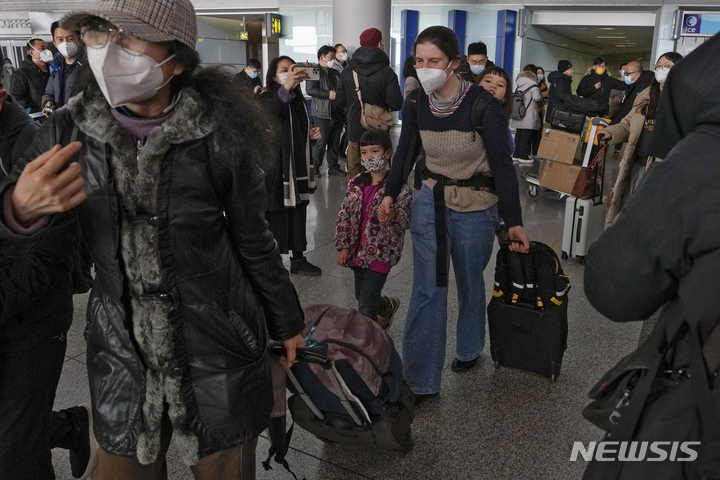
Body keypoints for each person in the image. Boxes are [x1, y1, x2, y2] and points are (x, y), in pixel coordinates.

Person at [0, 1, 306, 478]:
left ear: (176, 59)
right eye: (100, 33)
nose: (108, 49)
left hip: (217, 342)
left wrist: (287, 322)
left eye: (130, 37)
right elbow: (20, 227)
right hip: (121, 349)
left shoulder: (218, 131)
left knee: (225, 466)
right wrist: (16, 209)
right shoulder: (67, 129)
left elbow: (253, 238)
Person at [582, 34, 720, 480]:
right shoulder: (646, 99)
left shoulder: (704, 158)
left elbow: (615, 288)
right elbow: (629, 126)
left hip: (699, 408)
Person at [378, 26, 530, 404]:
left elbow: (503, 166)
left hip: (476, 205)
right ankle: (419, 381)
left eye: (434, 61)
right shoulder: (415, 104)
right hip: (430, 200)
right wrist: (389, 193)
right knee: (428, 289)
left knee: (468, 280)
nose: (425, 67)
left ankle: (468, 346)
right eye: (419, 60)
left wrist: (514, 221)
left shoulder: (483, 105)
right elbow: (406, 152)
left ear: (454, 64)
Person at [335, 129, 411, 330]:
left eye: (375, 151)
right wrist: (343, 246)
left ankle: (367, 345)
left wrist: (393, 215)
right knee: (361, 295)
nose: (369, 157)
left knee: (366, 306)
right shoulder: (356, 183)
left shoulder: (397, 188)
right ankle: (387, 305)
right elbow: (344, 215)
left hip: (381, 253)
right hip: (357, 250)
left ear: (388, 153)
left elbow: (406, 219)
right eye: (364, 152)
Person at [598, 52, 682, 226]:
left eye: (667, 66)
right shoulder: (646, 94)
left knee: (652, 217)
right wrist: (611, 132)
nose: (661, 70)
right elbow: (628, 123)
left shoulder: (685, 100)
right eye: (659, 66)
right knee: (627, 211)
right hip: (636, 163)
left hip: (662, 170)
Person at [261, 55, 324, 276]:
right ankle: (274, 263)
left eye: (293, 69)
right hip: (276, 167)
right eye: (284, 69)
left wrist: (310, 136)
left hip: (296, 164)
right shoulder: (266, 96)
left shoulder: (297, 98)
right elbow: (270, 114)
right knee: (277, 213)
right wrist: (286, 87)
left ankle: (298, 259)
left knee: (298, 211)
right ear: (273, 74)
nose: (289, 72)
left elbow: (294, 129)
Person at [336, 27, 403, 178]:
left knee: (354, 175)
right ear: (379, 44)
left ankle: (356, 200)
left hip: (354, 132)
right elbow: (396, 103)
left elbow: (339, 101)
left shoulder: (347, 71)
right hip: (379, 132)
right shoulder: (387, 72)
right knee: (379, 174)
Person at [306, 45, 344, 177]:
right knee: (321, 142)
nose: (333, 59)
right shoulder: (314, 70)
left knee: (334, 141)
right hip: (321, 113)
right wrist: (328, 94)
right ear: (322, 58)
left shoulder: (335, 72)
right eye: (331, 57)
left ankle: (333, 167)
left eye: (334, 57)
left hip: (336, 113)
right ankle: (315, 167)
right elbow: (310, 90)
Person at [42, 21, 86, 115]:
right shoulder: (55, 65)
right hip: (61, 122)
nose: (65, 43)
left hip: (84, 123)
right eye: (60, 39)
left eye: (70, 38)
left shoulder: (90, 65)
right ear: (54, 43)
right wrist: (48, 103)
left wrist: (74, 106)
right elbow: (49, 92)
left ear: (79, 40)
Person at [10, 38, 51, 113]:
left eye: (48, 48)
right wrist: (34, 113)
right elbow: (16, 98)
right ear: (31, 53)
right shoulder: (22, 73)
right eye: (42, 48)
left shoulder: (53, 70)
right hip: (37, 119)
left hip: (55, 117)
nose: (47, 51)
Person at [511, 68, 543, 164]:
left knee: (518, 135)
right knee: (526, 136)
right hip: (529, 114)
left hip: (519, 114)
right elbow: (537, 98)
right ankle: (524, 156)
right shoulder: (533, 86)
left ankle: (516, 154)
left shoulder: (519, 86)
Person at [611, 60, 655, 125]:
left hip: (632, 123)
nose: (626, 76)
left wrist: (613, 124)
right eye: (625, 73)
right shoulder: (633, 84)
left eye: (628, 74)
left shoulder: (644, 87)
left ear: (637, 74)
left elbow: (629, 107)